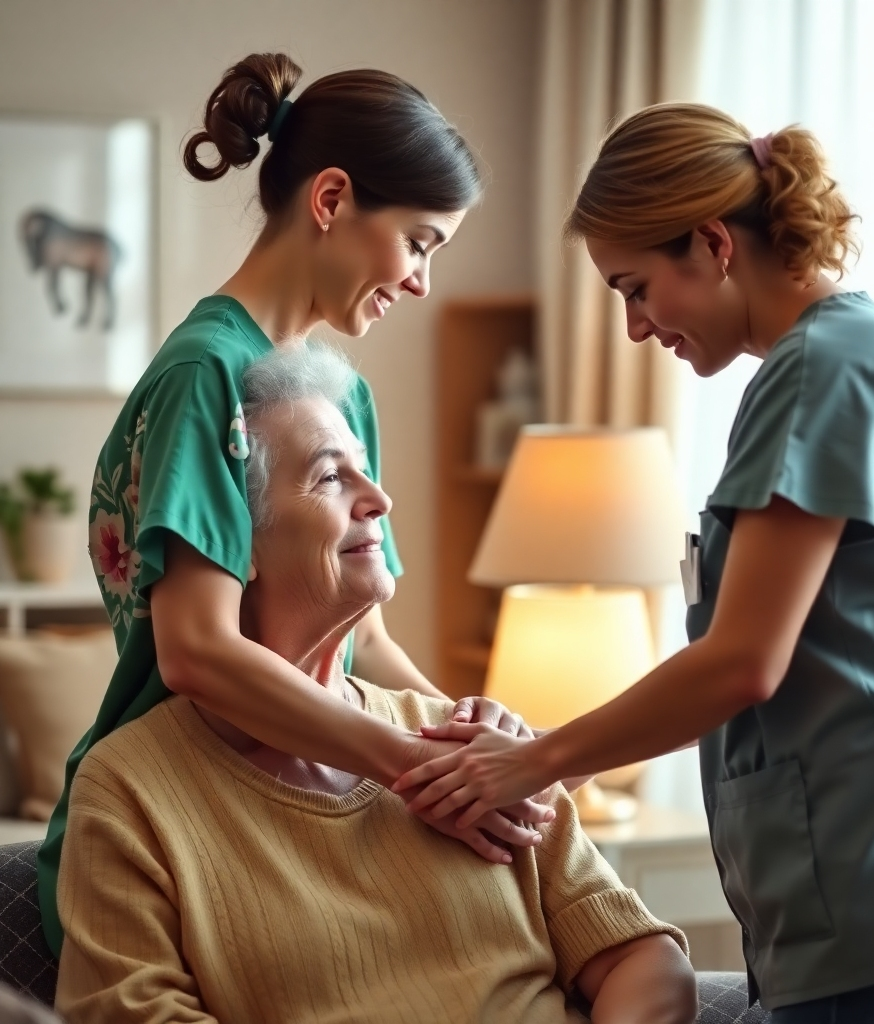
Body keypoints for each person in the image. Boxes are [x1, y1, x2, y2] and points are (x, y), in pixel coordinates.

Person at [395, 104, 874, 1022]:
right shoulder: (845, 358)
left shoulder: (825, 374)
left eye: (636, 287)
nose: (636, 328)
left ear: (712, 244)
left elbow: (742, 661)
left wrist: (532, 766)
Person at [38, 52, 551, 958]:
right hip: (177, 817)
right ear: (332, 200)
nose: (423, 282)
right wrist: (411, 767)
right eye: (421, 242)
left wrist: (476, 742)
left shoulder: (341, 396)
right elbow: (196, 650)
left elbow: (369, 641)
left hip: (308, 792)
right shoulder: (206, 374)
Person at [54, 344, 696, 1024]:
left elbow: (646, 961)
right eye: (332, 478)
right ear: (231, 540)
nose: (380, 499)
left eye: (366, 472)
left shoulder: (470, 741)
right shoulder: (131, 788)